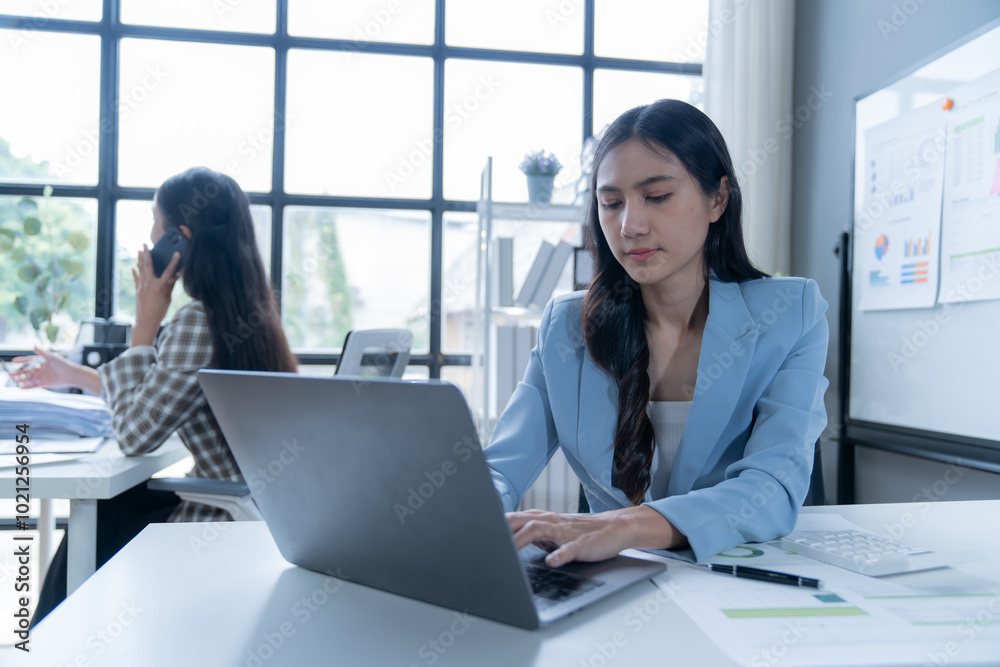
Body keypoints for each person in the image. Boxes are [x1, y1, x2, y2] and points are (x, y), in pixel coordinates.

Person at [486, 99, 829, 568]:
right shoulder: (565, 326)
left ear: (717, 199)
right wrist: (469, 513)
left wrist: (625, 525)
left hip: (734, 579)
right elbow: (500, 466)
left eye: (657, 196)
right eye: (610, 203)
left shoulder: (791, 313)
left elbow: (772, 486)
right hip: (611, 584)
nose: (630, 225)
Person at [10, 166, 298, 621]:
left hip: (217, 521)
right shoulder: (250, 313)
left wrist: (144, 326)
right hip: (256, 512)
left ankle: (52, 641)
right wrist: (76, 375)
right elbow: (161, 392)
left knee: (105, 511)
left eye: (153, 222)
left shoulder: (195, 323)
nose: (148, 237)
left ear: (180, 238)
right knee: (119, 504)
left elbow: (133, 433)